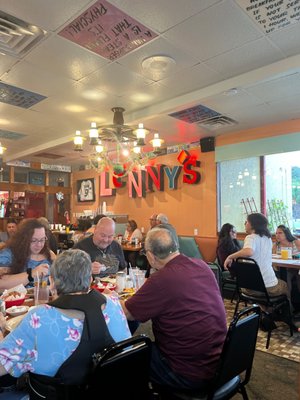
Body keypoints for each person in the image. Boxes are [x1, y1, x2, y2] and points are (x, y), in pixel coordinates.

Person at [0, 249, 131, 397]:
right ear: (89, 280)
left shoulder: (39, 317)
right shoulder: (114, 304)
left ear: (52, 283)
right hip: (112, 391)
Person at [122, 227, 227, 391]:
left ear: (150, 256)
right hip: (221, 361)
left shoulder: (161, 279)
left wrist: (111, 298)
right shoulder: (202, 266)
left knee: (126, 357)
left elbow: (127, 314)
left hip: (187, 372)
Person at [224, 213, 288, 297]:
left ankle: (265, 309)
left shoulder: (251, 237)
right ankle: (279, 309)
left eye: (246, 222)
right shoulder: (268, 238)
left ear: (252, 224)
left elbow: (249, 251)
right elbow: (249, 251)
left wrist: (230, 256)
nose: (245, 224)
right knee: (286, 286)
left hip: (249, 286)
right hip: (267, 287)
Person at [0, 218, 55, 290]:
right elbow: (2, 282)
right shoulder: (9, 254)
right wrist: (31, 274)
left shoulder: (48, 254)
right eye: (34, 240)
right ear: (23, 239)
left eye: (42, 240)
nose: (39, 245)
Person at [272, 224, 300, 312]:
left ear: (286, 233)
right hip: (284, 269)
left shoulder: (296, 242)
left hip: (297, 268)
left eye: (280, 233)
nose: (277, 235)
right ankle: (289, 310)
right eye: (276, 233)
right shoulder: (276, 245)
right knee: (286, 282)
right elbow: (273, 259)